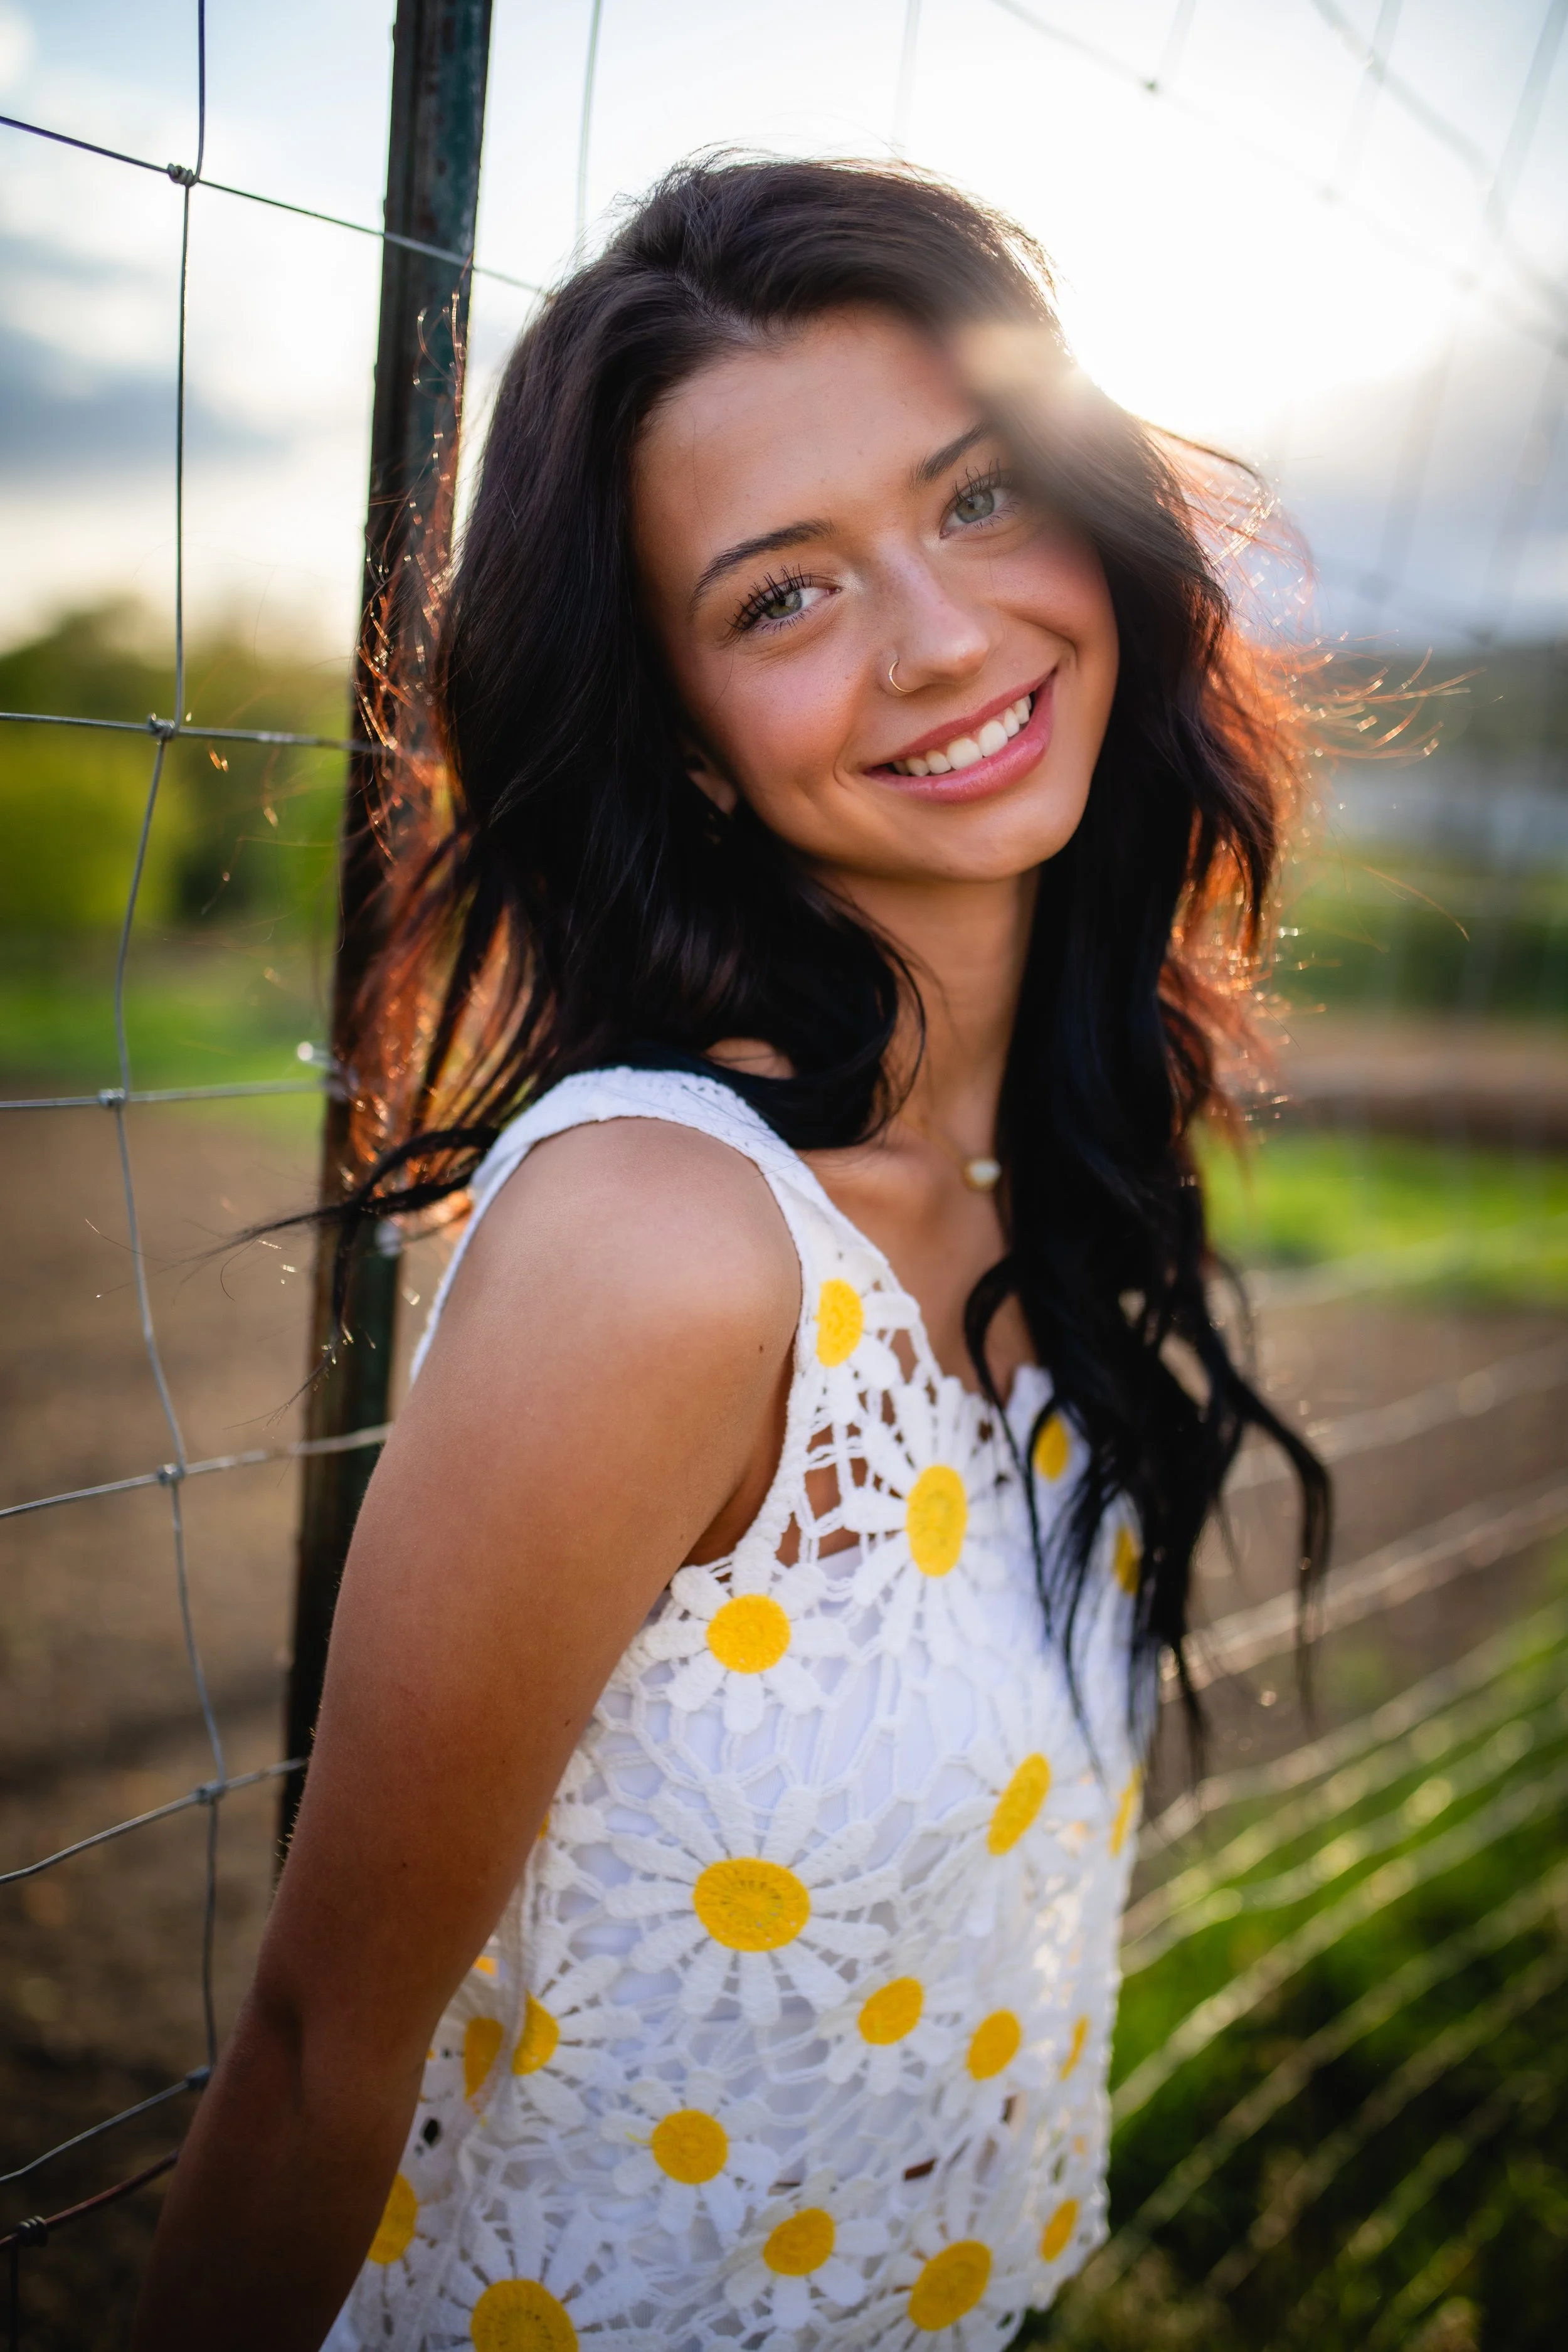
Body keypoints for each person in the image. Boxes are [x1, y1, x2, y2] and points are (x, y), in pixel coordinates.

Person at [132, 157, 1327, 2351]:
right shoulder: (661, 1244)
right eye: (783, 597)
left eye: (976, 501)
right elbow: (317, 2054)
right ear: (677, 732)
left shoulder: (1054, 1147)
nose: (943, 634)